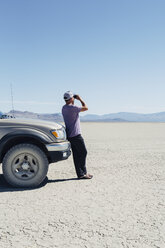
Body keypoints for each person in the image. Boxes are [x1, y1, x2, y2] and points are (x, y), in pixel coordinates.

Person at [62, 91, 93, 179]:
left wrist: (73, 100)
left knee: (76, 154)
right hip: (76, 135)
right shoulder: (73, 108)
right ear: (71, 99)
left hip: (70, 135)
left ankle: (80, 174)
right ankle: (84, 173)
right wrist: (80, 99)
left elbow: (72, 106)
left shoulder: (64, 108)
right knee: (83, 152)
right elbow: (86, 108)